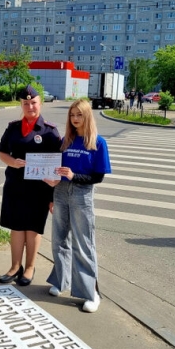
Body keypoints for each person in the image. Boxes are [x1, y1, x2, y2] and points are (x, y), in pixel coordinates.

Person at [44, 99, 111, 313]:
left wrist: (74, 176)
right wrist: (52, 186)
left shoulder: (98, 143)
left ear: (87, 116)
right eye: (72, 115)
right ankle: (61, 281)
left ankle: (91, 293)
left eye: (79, 115)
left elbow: (98, 177)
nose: (75, 119)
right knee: (59, 239)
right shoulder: (66, 141)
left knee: (84, 244)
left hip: (82, 194)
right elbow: (56, 168)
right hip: (61, 193)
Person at [0, 85, 61, 286]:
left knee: (32, 229)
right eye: (26, 103)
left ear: (40, 104)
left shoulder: (50, 132)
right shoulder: (13, 128)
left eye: (33, 103)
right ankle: (15, 267)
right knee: (16, 228)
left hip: (39, 189)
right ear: (21, 105)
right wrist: (12, 162)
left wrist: (52, 197)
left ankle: (30, 267)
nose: (30, 106)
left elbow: (56, 163)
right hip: (15, 185)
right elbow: (1, 152)